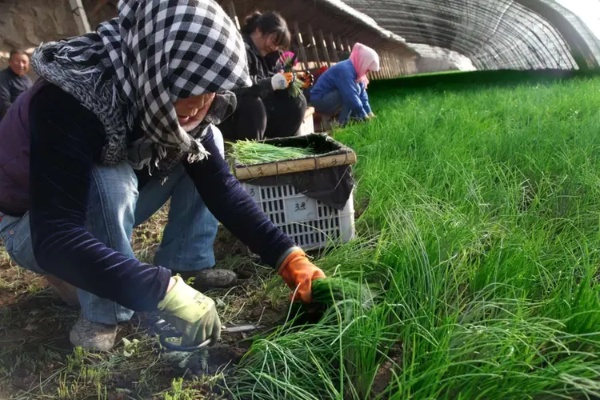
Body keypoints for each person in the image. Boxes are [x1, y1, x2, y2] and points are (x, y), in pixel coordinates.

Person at [0, 0, 325, 352]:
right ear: (157, 68)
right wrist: (158, 289)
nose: (200, 105)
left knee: (201, 140)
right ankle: (104, 311)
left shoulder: (160, 89)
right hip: (33, 225)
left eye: (210, 89)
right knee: (109, 178)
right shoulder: (71, 97)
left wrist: (288, 257)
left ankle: (185, 262)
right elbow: (55, 235)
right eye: (188, 90)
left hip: (86, 211)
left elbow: (221, 187)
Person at [217, 11, 308, 142]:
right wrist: (271, 83)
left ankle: (286, 145)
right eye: (273, 41)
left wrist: (291, 82)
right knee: (253, 103)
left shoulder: (265, 56)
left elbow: (268, 80)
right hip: (232, 115)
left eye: (278, 45)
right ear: (258, 30)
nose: (274, 47)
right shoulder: (239, 48)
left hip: (258, 117)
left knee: (296, 99)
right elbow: (239, 85)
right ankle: (252, 155)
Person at [310, 42, 379, 126]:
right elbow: (350, 96)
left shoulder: (356, 71)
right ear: (363, 61)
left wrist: (369, 112)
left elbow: (363, 94)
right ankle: (341, 123)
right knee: (351, 93)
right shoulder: (345, 70)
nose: (368, 71)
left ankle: (354, 119)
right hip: (319, 100)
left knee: (357, 88)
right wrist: (364, 115)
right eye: (368, 68)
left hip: (330, 97)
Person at [0, 49, 33, 120]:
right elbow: (4, 103)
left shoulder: (27, 79)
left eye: (24, 62)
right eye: (17, 61)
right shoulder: (2, 77)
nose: (21, 65)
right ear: (10, 62)